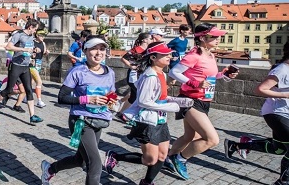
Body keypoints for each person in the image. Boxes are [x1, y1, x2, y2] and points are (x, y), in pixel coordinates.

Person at [103, 42, 194, 185]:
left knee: (163, 155)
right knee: (150, 159)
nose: (169, 56)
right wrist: (172, 107)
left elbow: (160, 98)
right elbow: (144, 101)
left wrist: (180, 101)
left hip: (160, 120)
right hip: (147, 121)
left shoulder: (162, 74)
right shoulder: (150, 76)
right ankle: (115, 156)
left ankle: (147, 182)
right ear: (153, 57)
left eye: (169, 54)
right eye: (165, 54)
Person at [163, 23, 238, 180]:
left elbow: (208, 77)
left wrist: (223, 75)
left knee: (189, 136)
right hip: (190, 100)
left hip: (204, 100)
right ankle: (180, 159)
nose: (218, 39)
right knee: (212, 139)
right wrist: (194, 83)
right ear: (203, 38)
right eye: (214, 36)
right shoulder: (194, 55)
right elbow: (174, 71)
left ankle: (168, 158)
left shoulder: (210, 54)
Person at [40, 37, 116, 184]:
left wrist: (112, 100)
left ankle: (50, 169)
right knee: (94, 164)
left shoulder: (110, 72)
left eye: (102, 49)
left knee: (80, 160)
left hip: (99, 120)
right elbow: (62, 97)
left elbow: (111, 93)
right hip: (81, 121)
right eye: (94, 48)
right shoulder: (78, 72)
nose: (99, 52)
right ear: (85, 51)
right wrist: (87, 99)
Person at [224, 42, 289, 185]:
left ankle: (235, 146)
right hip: (276, 112)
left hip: (284, 113)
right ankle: (283, 182)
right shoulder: (282, 69)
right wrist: (285, 94)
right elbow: (260, 89)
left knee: (278, 149)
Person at [0, 19, 43, 124]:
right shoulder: (18, 34)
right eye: (35, 29)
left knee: (28, 90)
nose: (35, 31)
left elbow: (29, 48)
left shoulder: (31, 37)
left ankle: (32, 116)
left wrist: (35, 51)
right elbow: (8, 46)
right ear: (30, 27)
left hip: (26, 66)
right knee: (9, 89)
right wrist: (23, 50)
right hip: (15, 66)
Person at [116, 33, 153, 121]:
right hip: (134, 75)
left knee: (133, 97)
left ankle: (121, 113)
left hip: (141, 74)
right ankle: (133, 115)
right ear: (144, 40)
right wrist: (131, 66)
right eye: (150, 38)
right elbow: (123, 58)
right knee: (138, 96)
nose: (151, 40)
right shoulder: (136, 49)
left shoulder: (148, 49)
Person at [30, 29, 49, 108]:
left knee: (31, 81)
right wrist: (34, 51)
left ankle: (25, 95)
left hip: (38, 63)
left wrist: (46, 52)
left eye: (44, 36)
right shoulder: (32, 42)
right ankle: (39, 100)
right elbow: (28, 52)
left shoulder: (43, 43)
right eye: (42, 36)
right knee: (39, 81)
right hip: (32, 64)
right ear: (37, 35)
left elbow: (43, 52)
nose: (43, 37)